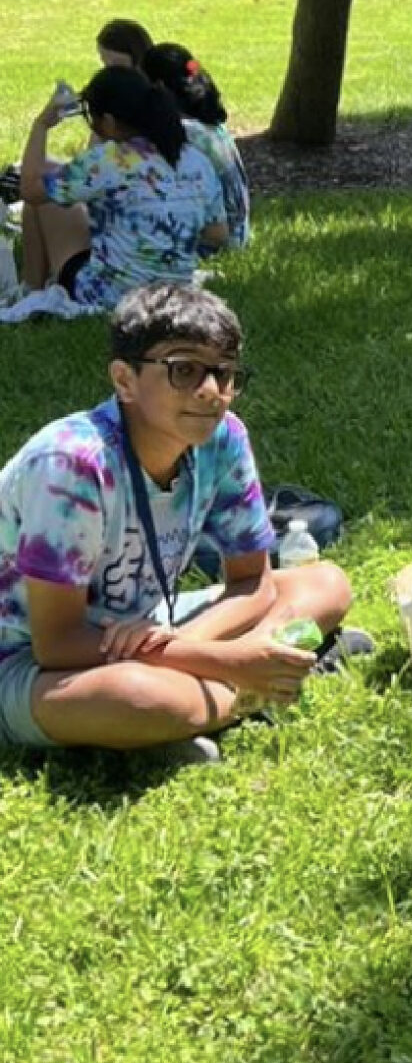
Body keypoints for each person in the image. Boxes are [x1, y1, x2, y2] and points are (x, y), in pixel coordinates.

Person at [0, 285, 355, 764]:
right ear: (124, 380)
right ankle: (263, 683)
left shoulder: (223, 438)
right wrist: (224, 659)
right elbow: (57, 644)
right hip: (29, 660)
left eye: (224, 373)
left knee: (325, 583)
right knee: (135, 698)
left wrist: (186, 644)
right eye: (184, 370)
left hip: (143, 629)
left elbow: (253, 581)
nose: (212, 392)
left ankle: (223, 691)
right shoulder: (72, 464)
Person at [16, 66, 227, 307]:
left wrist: (41, 125)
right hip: (174, 290)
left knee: (43, 205)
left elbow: (30, 189)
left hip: (108, 294)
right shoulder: (196, 160)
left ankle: (29, 289)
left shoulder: (108, 161)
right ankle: (32, 287)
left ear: (109, 121)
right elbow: (217, 234)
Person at [144, 42, 251, 251]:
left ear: (159, 87)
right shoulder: (209, 124)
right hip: (238, 234)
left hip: (217, 243)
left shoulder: (184, 133)